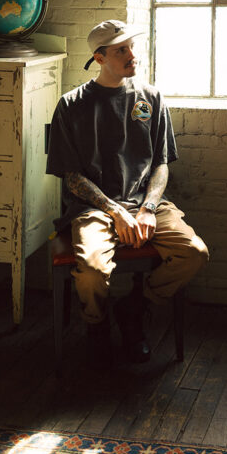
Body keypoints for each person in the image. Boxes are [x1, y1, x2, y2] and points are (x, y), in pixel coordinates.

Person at [46, 19, 209, 362]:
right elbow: (71, 177)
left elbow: (161, 164)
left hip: (147, 204)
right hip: (93, 209)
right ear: (100, 58)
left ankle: (134, 310)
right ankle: (97, 324)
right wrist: (115, 210)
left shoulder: (151, 97)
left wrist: (147, 208)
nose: (132, 55)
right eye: (121, 50)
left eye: (132, 47)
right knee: (92, 271)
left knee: (194, 252)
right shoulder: (72, 105)